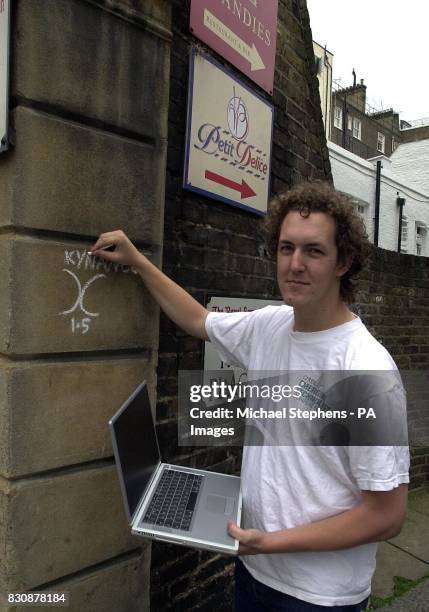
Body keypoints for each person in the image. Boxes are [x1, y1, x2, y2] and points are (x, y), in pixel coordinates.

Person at [91, 181, 409, 611]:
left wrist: (271, 543)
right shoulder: (270, 326)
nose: (295, 264)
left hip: (317, 595)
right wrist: (137, 262)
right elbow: (200, 320)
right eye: (285, 248)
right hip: (255, 569)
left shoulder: (367, 369)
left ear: (344, 262)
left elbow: (386, 515)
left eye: (313, 251)